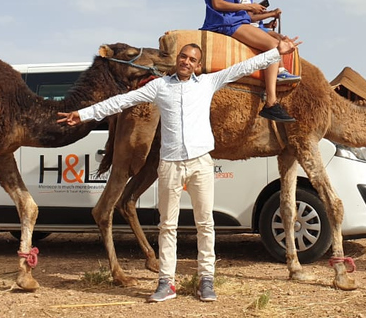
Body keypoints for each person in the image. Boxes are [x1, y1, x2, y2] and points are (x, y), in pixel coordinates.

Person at [57, 37, 300, 303]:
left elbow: (243, 67)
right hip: (171, 165)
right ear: (178, 61)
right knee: (167, 227)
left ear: (198, 66)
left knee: (205, 224)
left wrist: (277, 52)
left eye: (192, 60)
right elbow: (121, 102)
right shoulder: (159, 86)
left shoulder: (209, 83)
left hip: (200, 164)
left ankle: (206, 280)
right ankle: (166, 283)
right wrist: (82, 114)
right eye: (183, 57)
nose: (186, 62)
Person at [200, 0, 300, 123]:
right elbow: (217, 4)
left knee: (274, 38)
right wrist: (249, 6)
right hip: (225, 22)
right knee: (273, 47)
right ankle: (271, 102)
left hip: (233, 19)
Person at [237, 0, 294, 80]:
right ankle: (280, 70)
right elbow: (250, 18)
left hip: (255, 27)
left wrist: (268, 25)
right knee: (278, 41)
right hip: (249, 28)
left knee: (278, 36)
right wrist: (272, 14)